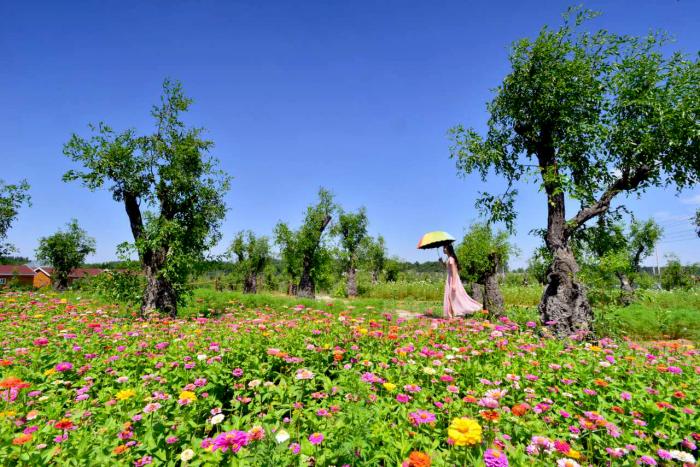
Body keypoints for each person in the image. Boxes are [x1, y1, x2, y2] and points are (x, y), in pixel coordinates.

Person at [442, 243, 482, 318]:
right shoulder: (449, 258)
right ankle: (451, 314)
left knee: (455, 296)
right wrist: (441, 262)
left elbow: (454, 271)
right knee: (450, 296)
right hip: (450, 278)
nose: (443, 249)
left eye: (445, 248)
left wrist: (454, 284)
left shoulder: (451, 259)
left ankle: (454, 313)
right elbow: (448, 268)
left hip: (453, 279)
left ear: (449, 249)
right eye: (443, 248)